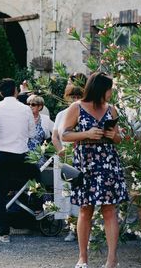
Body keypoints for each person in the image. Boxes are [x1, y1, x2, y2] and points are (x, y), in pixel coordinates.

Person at [61, 71, 128, 268]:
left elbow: (119, 139)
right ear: (100, 89)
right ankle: (83, 257)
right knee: (85, 210)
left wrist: (112, 135)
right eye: (109, 89)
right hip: (86, 163)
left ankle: (112, 260)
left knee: (109, 210)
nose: (111, 92)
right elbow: (64, 134)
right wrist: (87, 133)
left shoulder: (111, 109)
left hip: (108, 162)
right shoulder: (77, 107)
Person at [0, 78, 36, 243]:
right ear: (16, 92)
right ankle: (37, 207)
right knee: (38, 175)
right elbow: (32, 134)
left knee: (0, 193)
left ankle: (3, 231)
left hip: (1, 155)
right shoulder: (25, 110)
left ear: (1, 93)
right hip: (20, 156)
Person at [52, 84, 84, 242]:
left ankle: (84, 229)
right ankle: (71, 229)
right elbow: (55, 137)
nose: (76, 99)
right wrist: (60, 151)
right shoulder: (61, 114)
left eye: (79, 97)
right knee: (66, 193)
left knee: (81, 193)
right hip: (65, 156)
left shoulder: (84, 113)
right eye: (73, 97)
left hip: (80, 156)